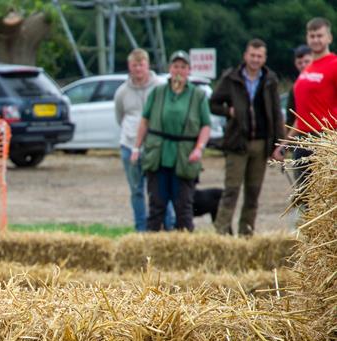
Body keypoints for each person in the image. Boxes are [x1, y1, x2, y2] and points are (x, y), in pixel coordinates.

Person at [210, 39, 285, 237]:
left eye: (259, 56)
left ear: (264, 58)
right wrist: (229, 111)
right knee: (231, 191)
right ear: (245, 56)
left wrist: (279, 143)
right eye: (252, 55)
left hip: (261, 144)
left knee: (253, 193)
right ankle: (222, 233)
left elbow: (277, 113)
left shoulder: (270, 80)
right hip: (237, 143)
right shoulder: (231, 77)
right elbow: (213, 103)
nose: (255, 59)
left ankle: (246, 234)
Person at [131, 51, 212, 232]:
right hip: (158, 154)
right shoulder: (158, 92)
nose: (179, 71)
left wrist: (199, 148)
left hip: (184, 156)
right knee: (156, 206)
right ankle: (150, 251)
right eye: (176, 66)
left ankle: (184, 250)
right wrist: (136, 147)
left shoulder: (197, 95)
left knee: (183, 207)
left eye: (183, 67)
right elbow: (145, 120)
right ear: (170, 69)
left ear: (188, 70)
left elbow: (206, 125)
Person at [114, 48, 171, 232]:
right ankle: (141, 228)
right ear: (129, 67)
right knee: (137, 190)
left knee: (160, 188)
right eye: (134, 65)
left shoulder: (160, 87)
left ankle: (169, 224)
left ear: (148, 65)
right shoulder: (122, 91)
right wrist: (131, 136)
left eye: (141, 65)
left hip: (154, 146)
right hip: (129, 146)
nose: (138, 69)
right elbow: (119, 116)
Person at [286, 17, 337, 204]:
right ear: (307, 38)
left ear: (329, 37)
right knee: (305, 200)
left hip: (325, 140)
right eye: (312, 36)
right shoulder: (307, 70)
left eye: (320, 35)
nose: (316, 40)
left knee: (326, 201)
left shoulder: (334, 64)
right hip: (303, 141)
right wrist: (286, 142)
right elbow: (302, 115)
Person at [285, 45, 312, 129]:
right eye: (300, 63)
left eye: (306, 61)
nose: (303, 65)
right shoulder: (295, 87)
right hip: (302, 135)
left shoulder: (325, 81)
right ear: (295, 64)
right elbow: (291, 117)